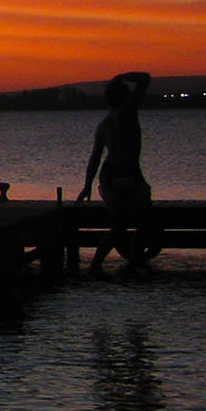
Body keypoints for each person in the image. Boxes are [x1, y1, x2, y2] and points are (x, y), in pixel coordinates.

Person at [78, 71, 153, 277]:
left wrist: (87, 185)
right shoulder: (127, 112)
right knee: (145, 220)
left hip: (110, 176)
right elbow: (145, 78)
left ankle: (97, 264)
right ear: (124, 98)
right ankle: (133, 259)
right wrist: (120, 77)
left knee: (120, 225)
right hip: (125, 174)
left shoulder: (103, 125)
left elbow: (95, 158)